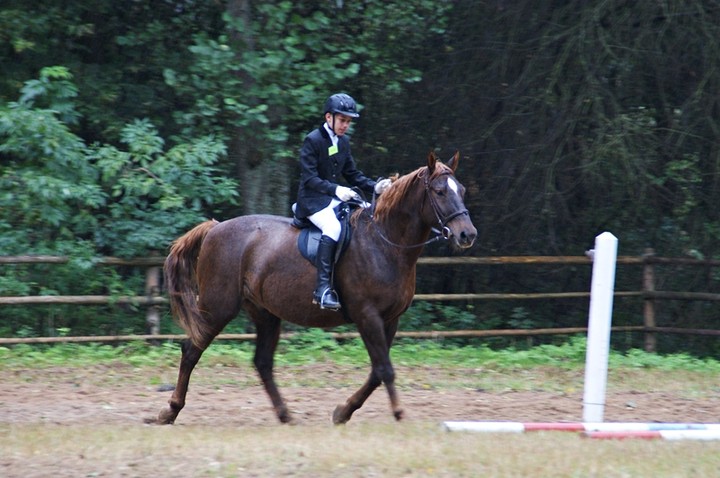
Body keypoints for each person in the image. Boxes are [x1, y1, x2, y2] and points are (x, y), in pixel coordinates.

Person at [295, 93, 391, 310]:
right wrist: (337, 189)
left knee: (367, 212)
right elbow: (310, 179)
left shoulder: (343, 142)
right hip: (312, 201)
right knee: (333, 227)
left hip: (333, 198)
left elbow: (352, 173)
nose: (345, 125)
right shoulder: (313, 140)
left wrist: (375, 186)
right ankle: (322, 290)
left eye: (348, 122)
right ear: (329, 117)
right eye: (342, 120)